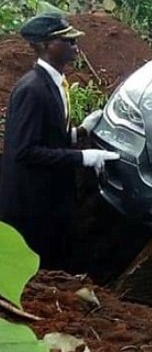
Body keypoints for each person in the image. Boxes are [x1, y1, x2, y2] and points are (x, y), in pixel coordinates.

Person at [0, 14, 119, 268]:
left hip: (51, 196)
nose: (75, 46)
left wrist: (80, 133)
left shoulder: (53, 83)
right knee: (41, 265)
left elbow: (46, 135)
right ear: (44, 46)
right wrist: (83, 157)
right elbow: (25, 151)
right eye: (67, 41)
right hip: (33, 203)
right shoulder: (31, 90)